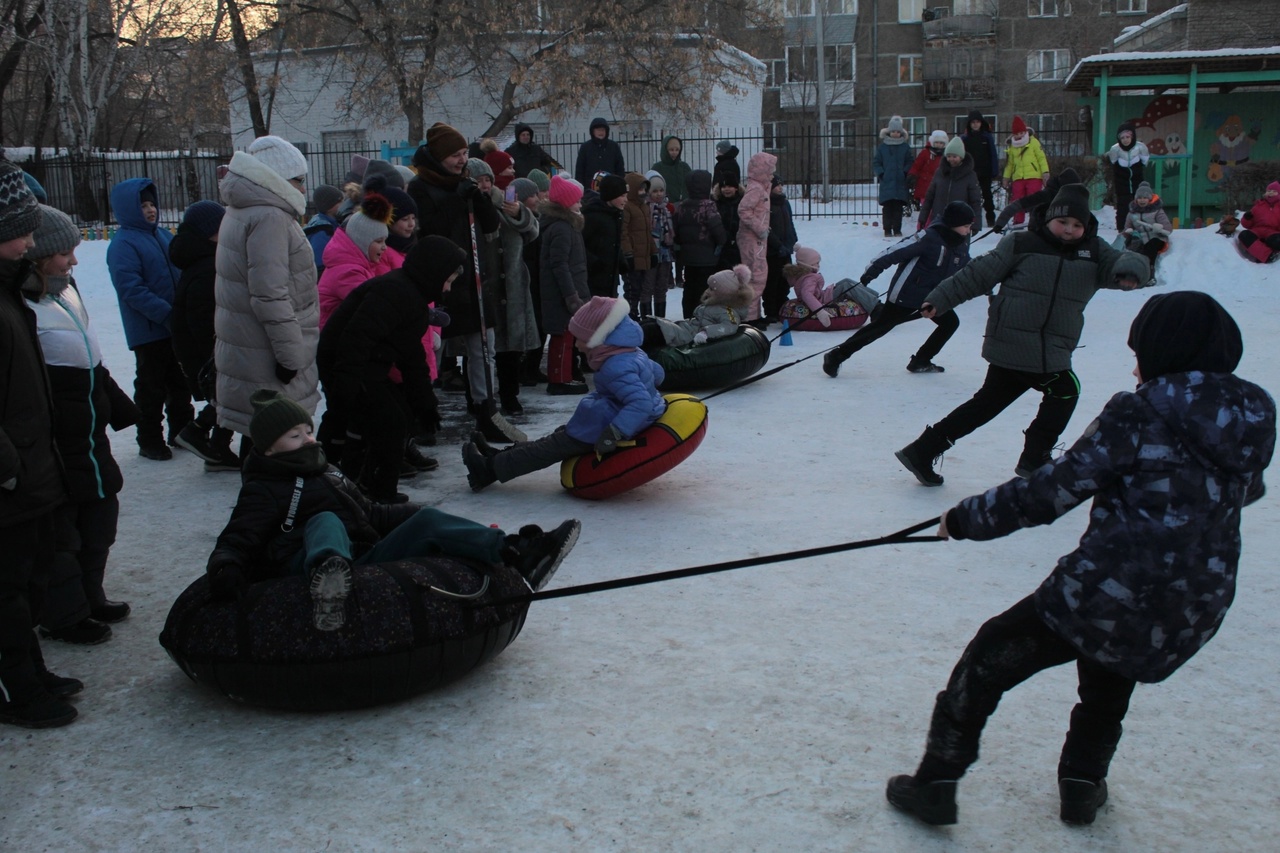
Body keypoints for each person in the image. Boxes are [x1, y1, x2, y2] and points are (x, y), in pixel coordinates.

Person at [886, 291, 1276, 827]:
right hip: (1192, 599)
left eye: (1139, 350)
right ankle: (1082, 784)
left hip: (1105, 589)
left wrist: (966, 520)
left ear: (1162, 351)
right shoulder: (1254, 412)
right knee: (1111, 674)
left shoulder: (1139, 410)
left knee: (988, 659)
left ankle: (934, 784)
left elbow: (1052, 490)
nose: (1135, 364)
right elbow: (1247, 491)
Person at [206, 390, 581, 632]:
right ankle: (329, 583)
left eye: (308, 430)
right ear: (269, 449)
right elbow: (238, 536)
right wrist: (226, 567)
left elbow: (370, 514)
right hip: (302, 566)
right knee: (325, 520)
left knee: (428, 521)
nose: (310, 439)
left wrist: (419, 519)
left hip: (362, 557)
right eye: (296, 436)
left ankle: (516, 552)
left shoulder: (328, 472)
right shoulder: (265, 487)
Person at [894, 183, 1149, 486]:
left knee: (986, 403)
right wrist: (940, 298)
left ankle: (924, 449)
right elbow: (977, 274)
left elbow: (1122, 263)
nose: (1069, 230)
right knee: (1065, 390)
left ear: (1087, 226)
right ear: (1049, 217)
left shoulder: (1094, 252)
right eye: (1063, 222)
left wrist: (1131, 271)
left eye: (1077, 225)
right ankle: (1035, 458)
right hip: (1019, 340)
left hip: (1047, 343)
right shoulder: (1022, 243)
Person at [22, 206, 138, 646]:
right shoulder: (23, 305)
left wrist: (117, 405)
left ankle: (91, 594)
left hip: (89, 433)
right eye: (65, 252)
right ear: (38, 256)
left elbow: (90, 357)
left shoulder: (65, 291)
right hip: (56, 440)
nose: (74, 260)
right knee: (62, 532)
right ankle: (63, 613)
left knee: (100, 516)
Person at [0, 166, 83, 728]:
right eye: (22, 230)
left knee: (23, 584)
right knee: (5, 592)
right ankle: (20, 691)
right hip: (10, 476)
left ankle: (29, 671)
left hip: (30, 467)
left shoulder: (11, 291)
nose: (33, 243)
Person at [463, 296, 666, 491]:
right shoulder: (631, 352)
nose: (576, 345)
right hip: (611, 415)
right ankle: (498, 457)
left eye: (580, 339)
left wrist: (613, 434)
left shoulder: (617, 366)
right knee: (559, 435)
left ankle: (488, 470)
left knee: (552, 447)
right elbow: (658, 374)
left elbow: (640, 403)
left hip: (610, 425)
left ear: (601, 339)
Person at [317, 237, 457, 503]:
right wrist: (344, 390)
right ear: (433, 272)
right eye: (447, 281)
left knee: (399, 415)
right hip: (345, 364)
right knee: (387, 421)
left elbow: (411, 356)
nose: (448, 289)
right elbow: (355, 338)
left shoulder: (412, 296)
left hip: (368, 364)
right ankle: (376, 493)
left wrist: (424, 403)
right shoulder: (394, 291)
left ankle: (369, 485)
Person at [408, 122, 519, 443]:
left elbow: (489, 227)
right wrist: (456, 200)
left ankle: (486, 407)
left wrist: (480, 198)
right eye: (455, 155)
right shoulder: (420, 187)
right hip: (437, 281)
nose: (462, 160)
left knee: (482, 346)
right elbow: (428, 231)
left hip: (472, 278)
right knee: (432, 348)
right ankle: (424, 413)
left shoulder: (464, 183)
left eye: (463, 154)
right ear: (440, 155)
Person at [214, 134, 321, 454]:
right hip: (270, 355)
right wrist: (291, 358)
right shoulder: (270, 217)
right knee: (275, 443)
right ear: (276, 179)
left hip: (251, 349)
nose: (303, 188)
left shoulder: (244, 210)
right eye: (298, 180)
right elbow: (270, 294)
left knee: (259, 437)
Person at [822, 203, 973, 378]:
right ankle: (836, 356)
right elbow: (895, 251)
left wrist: (984, 281)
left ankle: (921, 360)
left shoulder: (960, 246)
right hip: (908, 294)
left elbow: (967, 268)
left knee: (950, 323)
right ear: (953, 223)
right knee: (880, 327)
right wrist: (873, 270)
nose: (968, 231)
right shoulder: (929, 237)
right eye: (966, 226)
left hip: (933, 297)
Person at [106, 176, 193, 460]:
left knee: (180, 383)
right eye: (142, 205)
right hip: (148, 330)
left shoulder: (164, 236)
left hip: (174, 327)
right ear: (128, 209)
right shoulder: (123, 245)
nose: (150, 210)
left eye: (152, 204)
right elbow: (132, 289)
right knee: (151, 388)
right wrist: (166, 313)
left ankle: (182, 431)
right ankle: (149, 439)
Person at [168, 200, 240, 472]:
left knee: (227, 393)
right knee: (228, 393)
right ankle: (196, 431)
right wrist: (215, 348)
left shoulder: (205, 258)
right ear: (210, 231)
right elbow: (201, 313)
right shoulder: (208, 264)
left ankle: (217, 448)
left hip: (203, 342)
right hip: (207, 344)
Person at [477, 147, 541, 417]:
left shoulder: (508, 201)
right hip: (488, 285)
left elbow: (532, 231)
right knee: (484, 347)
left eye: (489, 179)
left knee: (511, 347)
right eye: (482, 179)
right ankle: (481, 399)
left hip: (513, 285)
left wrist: (517, 214)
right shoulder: (475, 206)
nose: (486, 184)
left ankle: (510, 396)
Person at [539, 175, 591, 396]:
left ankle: (564, 376)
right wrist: (571, 295)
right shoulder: (561, 228)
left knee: (567, 336)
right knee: (562, 337)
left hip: (568, 291)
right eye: (577, 201)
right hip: (562, 294)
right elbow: (559, 265)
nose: (580, 204)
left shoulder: (567, 226)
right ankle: (559, 379)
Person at [640, 264, 753, 351]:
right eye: (709, 288)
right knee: (648, 324)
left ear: (725, 294)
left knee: (650, 330)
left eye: (712, 289)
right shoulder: (714, 304)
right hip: (685, 329)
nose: (708, 291)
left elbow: (729, 326)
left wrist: (705, 333)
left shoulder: (728, 311)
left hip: (688, 336)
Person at [674, 169, 726, 319]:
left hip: (688, 257)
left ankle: (688, 316)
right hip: (707, 257)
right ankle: (702, 318)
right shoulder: (708, 206)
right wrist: (722, 241)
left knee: (689, 287)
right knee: (704, 289)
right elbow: (718, 231)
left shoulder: (682, 206)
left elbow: (676, 232)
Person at [736, 151, 776, 324]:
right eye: (770, 171)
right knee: (756, 277)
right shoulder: (755, 189)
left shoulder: (760, 187)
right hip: (753, 239)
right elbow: (743, 210)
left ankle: (754, 315)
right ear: (762, 171)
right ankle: (750, 317)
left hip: (758, 239)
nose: (772, 174)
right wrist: (760, 228)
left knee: (757, 276)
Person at [992, 167, 1080, 235]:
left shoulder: (1077, 198)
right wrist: (1000, 223)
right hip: (1038, 234)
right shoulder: (1046, 195)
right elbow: (1016, 205)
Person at [918, 137, 981, 231]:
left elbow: (975, 201)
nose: (951, 159)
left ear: (961, 157)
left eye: (954, 157)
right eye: (949, 156)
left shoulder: (970, 175)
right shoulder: (940, 172)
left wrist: (976, 223)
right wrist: (922, 218)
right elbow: (929, 198)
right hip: (939, 219)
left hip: (960, 223)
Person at [582, 173, 627, 298]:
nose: (625, 200)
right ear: (611, 195)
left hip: (611, 277)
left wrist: (621, 260)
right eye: (622, 196)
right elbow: (579, 243)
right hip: (594, 278)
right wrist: (593, 262)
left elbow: (615, 241)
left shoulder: (616, 215)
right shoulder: (592, 215)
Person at [1001, 116, 1050, 228]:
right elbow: (1010, 164)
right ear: (1013, 134)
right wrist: (1006, 177)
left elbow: (1041, 158)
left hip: (1033, 176)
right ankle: (1018, 221)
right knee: (1017, 199)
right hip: (1018, 177)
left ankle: (1035, 218)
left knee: (1034, 198)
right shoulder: (1012, 147)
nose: (1020, 136)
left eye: (1022, 133)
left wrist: (1045, 172)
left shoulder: (1034, 143)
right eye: (1017, 134)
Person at [620, 172, 656, 319]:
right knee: (631, 290)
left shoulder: (644, 207)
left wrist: (653, 252)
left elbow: (648, 233)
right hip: (633, 257)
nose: (643, 193)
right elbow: (623, 233)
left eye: (645, 189)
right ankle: (631, 316)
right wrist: (628, 254)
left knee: (641, 289)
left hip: (643, 256)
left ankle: (638, 316)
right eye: (640, 189)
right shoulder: (627, 207)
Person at [763, 175, 798, 323]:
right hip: (772, 251)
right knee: (772, 281)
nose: (780, 187)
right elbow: (766, 229)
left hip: (786, 249)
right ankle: (771, 311)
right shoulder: (766, 205)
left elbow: (790, 223)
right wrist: (777, 245)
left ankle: (782, 308)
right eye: (776, 185)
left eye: (780, 185)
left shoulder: (785, 203)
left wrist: (792, 241)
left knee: (784, 281)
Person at [1122, 181, 1171, 279]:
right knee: (1132, 250)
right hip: (1140, 238)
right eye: (1139, 198)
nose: (1142, 200)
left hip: (1156, 237)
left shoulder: (1157, 211)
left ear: (1150, 199)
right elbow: (1127, 227)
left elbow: (1168, 228)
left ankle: (1149, 274)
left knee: (1150, 248)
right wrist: (1129, 231)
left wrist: (1159, 228)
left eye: (1145, 198)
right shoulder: (1132, 213)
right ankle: (1131, 273)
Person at [1106, 121, 1149, 232]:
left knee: (1140, 203)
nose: (1125, 140)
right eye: (1122, 137)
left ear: (1133, 136)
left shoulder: (1140, 147)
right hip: (1122, 182)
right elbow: (1113, 162)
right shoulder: (1115, 149)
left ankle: (1142, 226)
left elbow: (1144, 161)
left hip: (1137, 181)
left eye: (1128, 137)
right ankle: (1122, 228)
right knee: (1123, 206)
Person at [874, 116, 913, 238]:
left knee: (898, 208)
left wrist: (905, 172)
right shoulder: (882, 148)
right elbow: (876, 162)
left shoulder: (905, 147)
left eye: (898, 132)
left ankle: (897, 229)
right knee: (887, 208)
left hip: (900, 182)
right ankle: (887, 229)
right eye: (893, 131)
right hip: (887, 182)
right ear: (889, 132)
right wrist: (881, 173)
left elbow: (910, 161)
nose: (895, 134)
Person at [644, 173, 675, 320]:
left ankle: (661, 320)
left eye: (661, 191)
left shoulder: (667, 208)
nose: (658, 194)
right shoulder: (645, 208)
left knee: (661, 287)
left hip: (665, 252)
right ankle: (647, 319)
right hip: (650, 252)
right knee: (648, 286)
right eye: (655, 191)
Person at [961, 110, 999, 229]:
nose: (975, 124)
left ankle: (991, 218)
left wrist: (994, 169)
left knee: (987, 195)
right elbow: (963, 155)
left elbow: (993, 154)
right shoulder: (965, 138)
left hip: (985, 171)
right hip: (971, 172)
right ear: (969, 124)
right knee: (970, 196)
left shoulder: (987, 137)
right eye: (973, 122)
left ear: (981, 123)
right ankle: (970, 219)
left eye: (977, 122)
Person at [304, 184, 344, 275]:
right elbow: (319, 263)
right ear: (329, 207)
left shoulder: (330, 224)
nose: (343, 204)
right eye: (340, 202)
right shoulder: (322, 231)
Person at [574, 118, 625, 187]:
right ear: (593, 131)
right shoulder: (585, 147)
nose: (601, 132)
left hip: (611, 187)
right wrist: (581, 187)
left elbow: (620, 168)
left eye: (603, 130)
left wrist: (618, 184)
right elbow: (580, 170)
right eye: (598, 130)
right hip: (589, 188)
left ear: (606, 131)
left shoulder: (613, 146)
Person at [1237, 181, 1280, 263]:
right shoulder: (1258, 205)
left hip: (1273, 233)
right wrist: (1247, 218)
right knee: (1244, 235)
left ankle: (1262, 250)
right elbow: (1246, 225)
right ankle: (1268, 256)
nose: (1271, 193)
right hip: (1257, 231)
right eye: (1269, 191)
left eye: (1274, 191)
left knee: (1277, 241)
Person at [908, 131, 948, 213]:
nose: (939, 144)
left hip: (941, 186)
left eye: (941, 143)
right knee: (927, 209)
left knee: (939, 209)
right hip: (925, 185)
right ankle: (926, 224)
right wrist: (912, 175)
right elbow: (917, 165)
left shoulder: (946, 155)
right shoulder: (925, 153)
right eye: (936, 142)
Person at [651, 135, 691, 204]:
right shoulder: (657, 168)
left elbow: (690, 185)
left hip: (684, 205)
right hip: (664, 206)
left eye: (677, 150)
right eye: (671, 150)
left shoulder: (684, 167)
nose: (674, 153)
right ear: (665, 150)